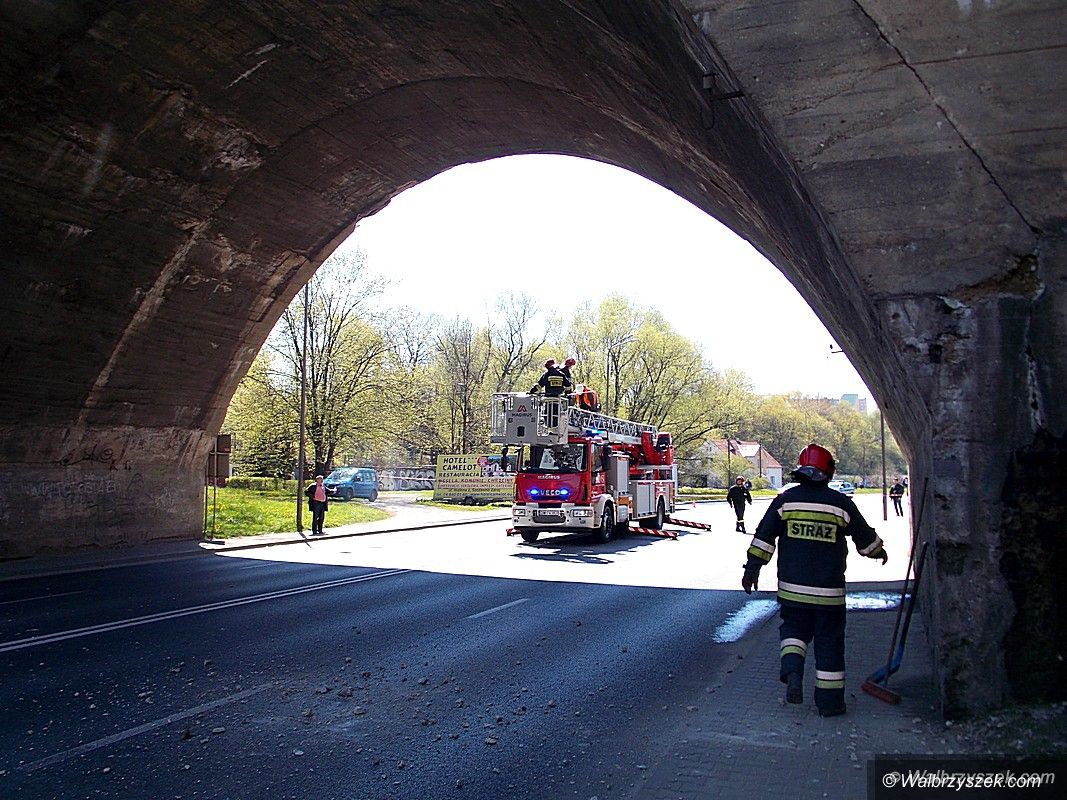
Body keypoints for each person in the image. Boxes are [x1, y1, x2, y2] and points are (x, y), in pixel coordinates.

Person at [741, 443, 888, 717]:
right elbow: (866, 540)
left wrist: (752, 570)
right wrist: (879, 552)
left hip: (792, 591)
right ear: (828, 472)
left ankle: (793, 673)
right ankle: (830, 704)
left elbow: (763, 537)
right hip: (829, 594)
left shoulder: (785, 501)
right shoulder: (841, 504)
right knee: (829, 644)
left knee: (793, 633)